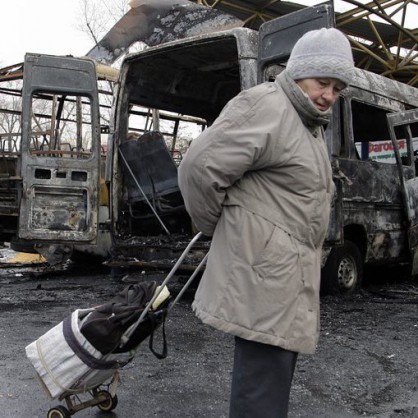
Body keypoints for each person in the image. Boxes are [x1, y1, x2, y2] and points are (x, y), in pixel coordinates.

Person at [178, 27, 355, 417]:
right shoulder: (268, 107)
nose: (329, 95)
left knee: (269, 392)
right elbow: (199, 168)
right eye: (322, 82)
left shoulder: (306, 122)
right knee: (260, 398)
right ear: (297, 72)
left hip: (284, 282)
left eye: (338, 88)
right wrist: (214, 226)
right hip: (265, 282)